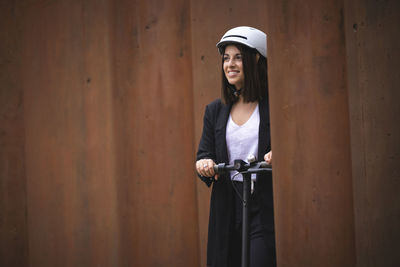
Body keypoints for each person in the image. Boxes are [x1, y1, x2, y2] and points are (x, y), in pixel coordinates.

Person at [195, 26, 276, 267]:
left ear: (256, 60)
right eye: (226, 58)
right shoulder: (215, 110)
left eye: (238, 57)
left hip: (263, 208)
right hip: (228, 206)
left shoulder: (274, 105)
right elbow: (204, 154)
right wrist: (204, 163)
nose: (230, 64)